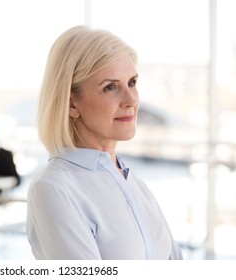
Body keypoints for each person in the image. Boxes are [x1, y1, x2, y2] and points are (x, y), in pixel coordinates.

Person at [26, 25, 183, 260]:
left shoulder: (136, 186)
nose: (131, 100)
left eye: (132, 83)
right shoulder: (54, 189)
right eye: (110, 87)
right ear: (71, 104)